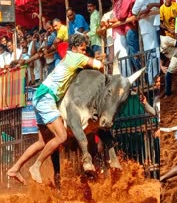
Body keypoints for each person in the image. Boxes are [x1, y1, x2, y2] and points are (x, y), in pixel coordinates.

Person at [7, 34, 104, 185]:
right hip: (46, 97)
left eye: (85, 50)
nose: (84, 52)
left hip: (40, 96)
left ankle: (15, 168)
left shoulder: (71, 57)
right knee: (62, 136)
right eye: (82, 49)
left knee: (42, 142)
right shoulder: (76, 57)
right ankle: (36, 166)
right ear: (74, 48)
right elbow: (100, 66)